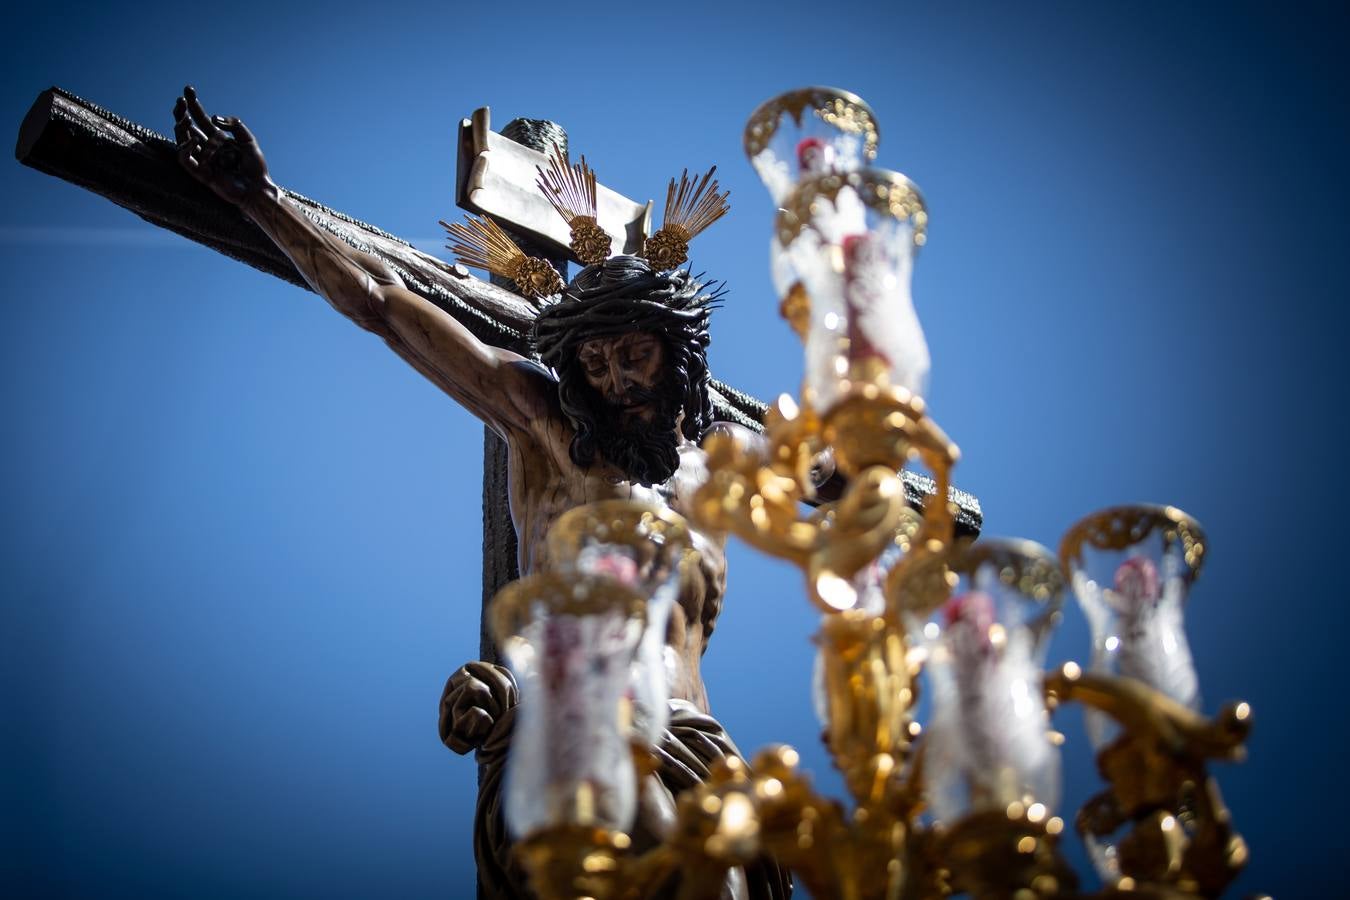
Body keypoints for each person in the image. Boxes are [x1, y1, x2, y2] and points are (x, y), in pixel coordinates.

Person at [172, 87, 789, 899]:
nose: (615, 384)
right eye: (596, 369)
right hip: (583, 743)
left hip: (699, 751)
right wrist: (258, 197)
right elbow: (383, 306)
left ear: (676, 354)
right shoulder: (548, 431)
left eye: (633, 357)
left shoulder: (722, 469)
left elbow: (862, 479)